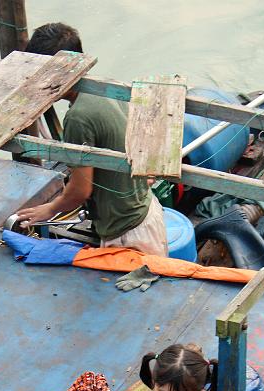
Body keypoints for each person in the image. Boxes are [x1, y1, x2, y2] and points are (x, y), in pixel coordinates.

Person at [16, 23, 168, 257]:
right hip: (147, 213)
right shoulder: (107, 87)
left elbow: (80, 191)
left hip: (127, 235)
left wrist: (49, 209)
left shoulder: (78, 118)